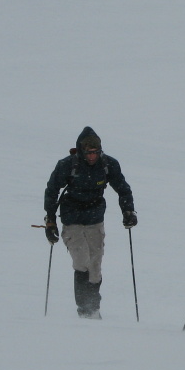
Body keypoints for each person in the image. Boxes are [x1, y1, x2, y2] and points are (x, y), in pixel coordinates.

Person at [44, 126, 138, 319]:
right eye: (89, 152)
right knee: (81, 262)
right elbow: (52, 190)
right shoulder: (67, 165)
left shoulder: (108, 165)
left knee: (95, 267)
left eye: (96, 152)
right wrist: (50, 221)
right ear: (81, 150)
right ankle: (84, 310)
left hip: (95, 219)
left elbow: (122, 188)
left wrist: (128, 211)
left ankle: (93, 309)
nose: (93, 156)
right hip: (72, 219)